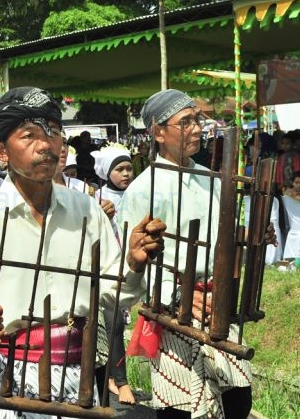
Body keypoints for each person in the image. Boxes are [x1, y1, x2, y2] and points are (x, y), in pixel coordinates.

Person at [0, 86, 165, 418]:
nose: (45, 144)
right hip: (8, 381)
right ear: (2, 152)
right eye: (29, 136)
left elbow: (109, 292)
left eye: (54, 132)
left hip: (79, 379)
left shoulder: (87, 211)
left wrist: (131, 264)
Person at [118, 89, 253, 419]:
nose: (196, 128)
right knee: (181, 408)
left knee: (238, 398)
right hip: (173, 309)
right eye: (186, 121)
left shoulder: (211, 179)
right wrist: (178, 295)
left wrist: (246, 244)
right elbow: (139, 260)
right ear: (158, 132)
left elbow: (226, 244)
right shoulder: (144, 188)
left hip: (215, 304)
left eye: (198, 120)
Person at [93, 145, 136, 404]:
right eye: (119, 169)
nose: (126, 174)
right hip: (106, 267)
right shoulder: (97, 197)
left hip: (132, 266)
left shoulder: (139, 193)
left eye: (129, 168)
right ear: (107, 172)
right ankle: (121, 380)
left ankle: (112, 375)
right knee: (113, 324)